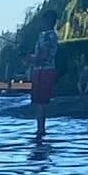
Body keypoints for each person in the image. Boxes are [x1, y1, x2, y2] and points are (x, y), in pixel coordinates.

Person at [29, 11, 59, 140]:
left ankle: (40, 130)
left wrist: (30, 59)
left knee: (40, 102)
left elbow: (44, 55)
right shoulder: (47, 35)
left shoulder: (48, 36)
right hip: (41, 70)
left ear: (47, 21)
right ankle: (40, 129)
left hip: (44, 71)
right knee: (39, 101)